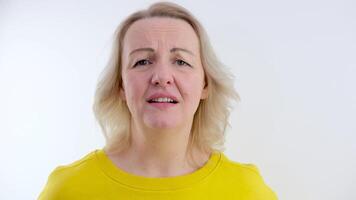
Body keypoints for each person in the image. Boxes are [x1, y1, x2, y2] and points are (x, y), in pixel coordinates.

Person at [38, 2, 278, 199]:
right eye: (142, 61)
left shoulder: (247, 191)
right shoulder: (68, 190)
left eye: (181, 61)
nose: (162, 77)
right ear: (120, 85)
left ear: (205, 84)